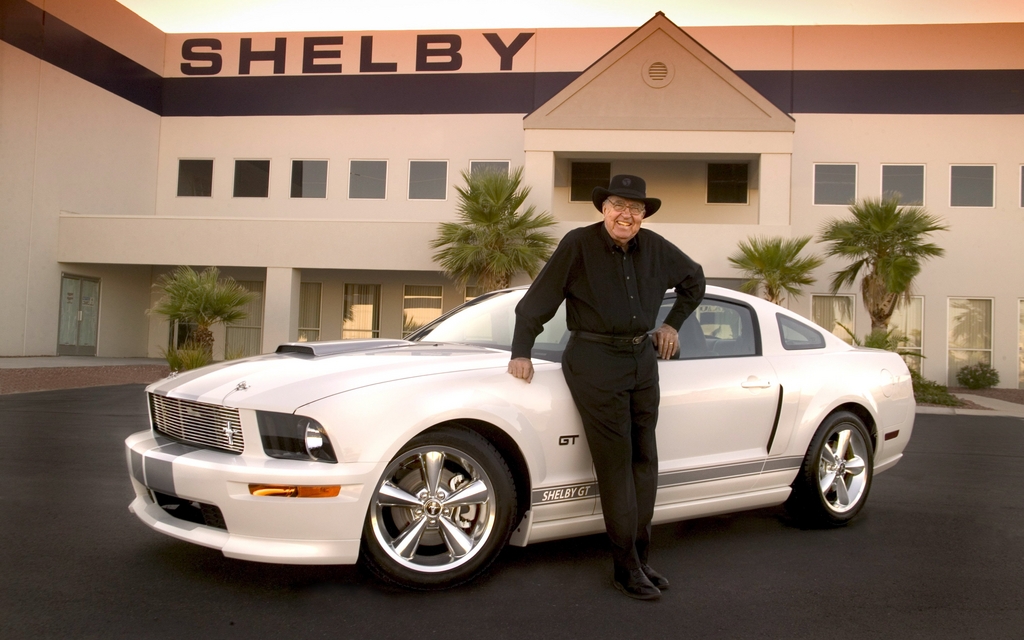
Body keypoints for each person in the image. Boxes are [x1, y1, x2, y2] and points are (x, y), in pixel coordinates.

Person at [508, 174, 705, 600]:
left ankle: (642, 557)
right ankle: (625, 567)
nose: (626, 215)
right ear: (603, 208)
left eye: (635, 209)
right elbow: (537, 301)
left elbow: (695, 280)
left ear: (642, 215)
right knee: (616, 464)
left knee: (644, 459)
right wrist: (521, 351)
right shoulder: (578, 244)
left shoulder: (654, 247)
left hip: (641, 361)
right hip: (594, 361)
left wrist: (671, 324)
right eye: (618, 205)